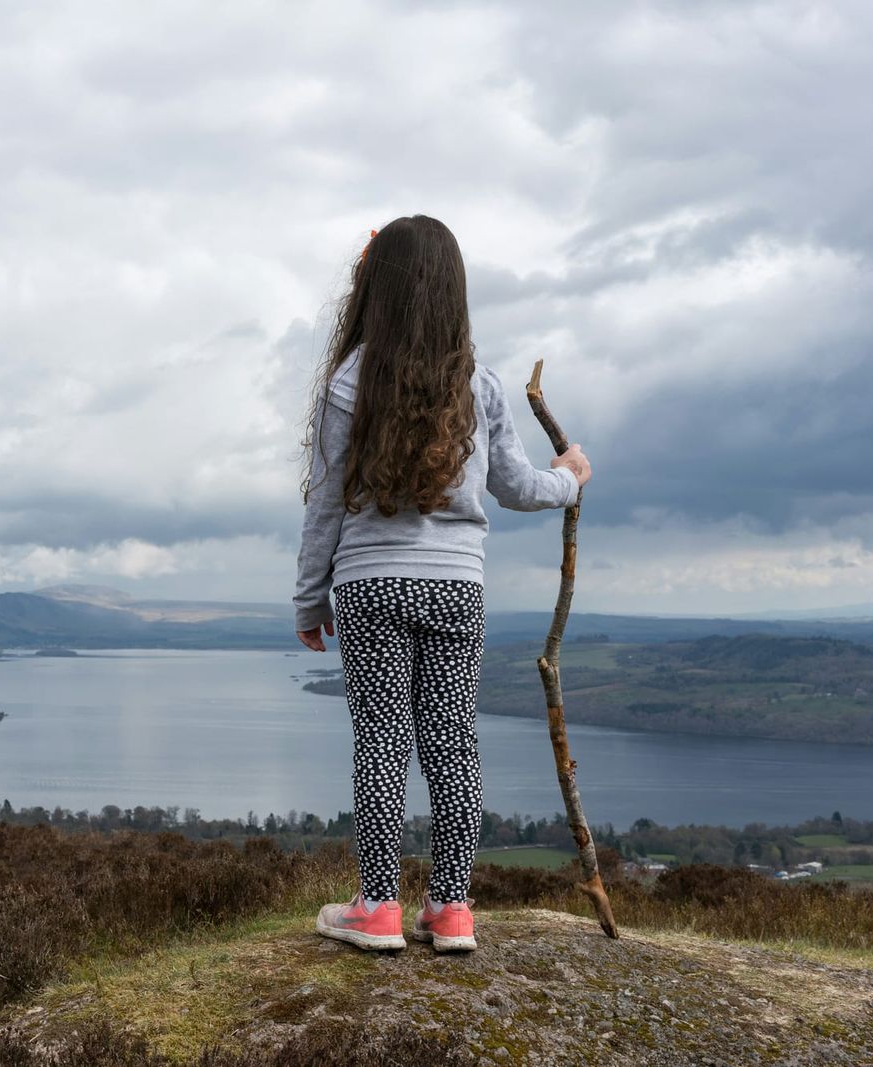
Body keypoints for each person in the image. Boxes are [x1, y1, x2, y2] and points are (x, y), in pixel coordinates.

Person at [293, 215, 592, 953]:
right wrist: (570, 479)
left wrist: (309, 596)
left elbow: (326, 501)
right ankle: (453, 909)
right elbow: (519, 486)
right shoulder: (480, 385)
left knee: (381, 742)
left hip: (370, 585)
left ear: (376, 289)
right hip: (457, 587)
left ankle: (377, 908)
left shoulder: (349, 380)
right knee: (453, 743)